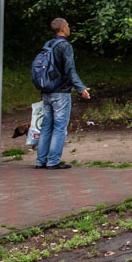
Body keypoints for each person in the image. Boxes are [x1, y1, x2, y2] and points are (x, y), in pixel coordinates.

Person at [35, 18, 90, 170]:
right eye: (68, 25)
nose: (69, 28)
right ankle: (53, 161)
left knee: (46, 126)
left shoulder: (48, 44)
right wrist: (81, 88)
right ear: (63, 28)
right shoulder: (65, 46)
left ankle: (40, 160)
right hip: (61, 92)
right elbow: (69, 69)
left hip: (46, 91)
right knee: (60, 127)